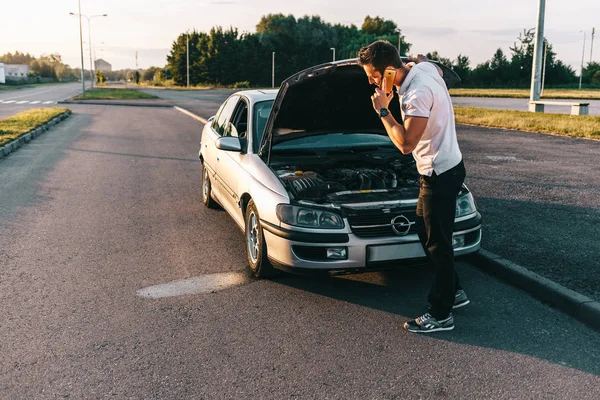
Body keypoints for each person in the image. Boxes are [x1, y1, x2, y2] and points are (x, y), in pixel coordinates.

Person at [358, 40, 469, 333]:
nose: (371, 81)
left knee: (438, 244)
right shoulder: (426, 68)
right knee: (425, 229)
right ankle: (453, 290)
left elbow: (406, 144)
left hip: (439, 174)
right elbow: (446, 73)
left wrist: (383, 110)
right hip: (446, 167)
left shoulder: (416, 95)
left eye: (373, 75)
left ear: (391, 72)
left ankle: (441, 313)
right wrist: (423, 59)